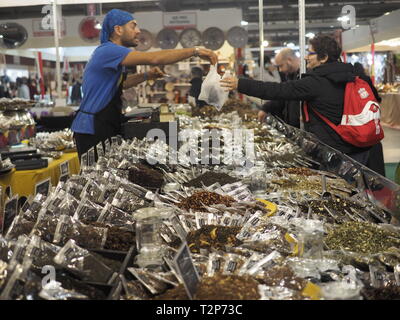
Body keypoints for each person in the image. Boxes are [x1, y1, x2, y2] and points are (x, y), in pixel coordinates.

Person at [71, 9, 217, 159]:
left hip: (104, 124)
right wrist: (195, 51)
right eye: (133, 26)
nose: (138, 31)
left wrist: (146, 75)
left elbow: (121, 84)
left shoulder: (110, 53)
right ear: (118, 29)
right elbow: (154, 58)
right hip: (93, 128)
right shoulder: (109, 50)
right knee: (96, 176)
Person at [221, 35, 380, 165]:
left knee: (340, 191)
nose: (305, 57)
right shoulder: (352, 75)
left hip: (336, 153)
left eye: (310, 53)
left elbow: (277, 91)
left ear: (323, 57)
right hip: (360, 147)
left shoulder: (317, 82)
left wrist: (240, 83)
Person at [353, 62, 385, 176]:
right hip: (371, 123)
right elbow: (375, 95)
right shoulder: (365, 79)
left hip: (358, 125)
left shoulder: (350, 82)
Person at [258, 48, 301, 127]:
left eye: (281, 66)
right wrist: (266, 108)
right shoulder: (290, 76)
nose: (280, 70)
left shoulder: (303, 76)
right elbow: (283, 97)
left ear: (289, 60)